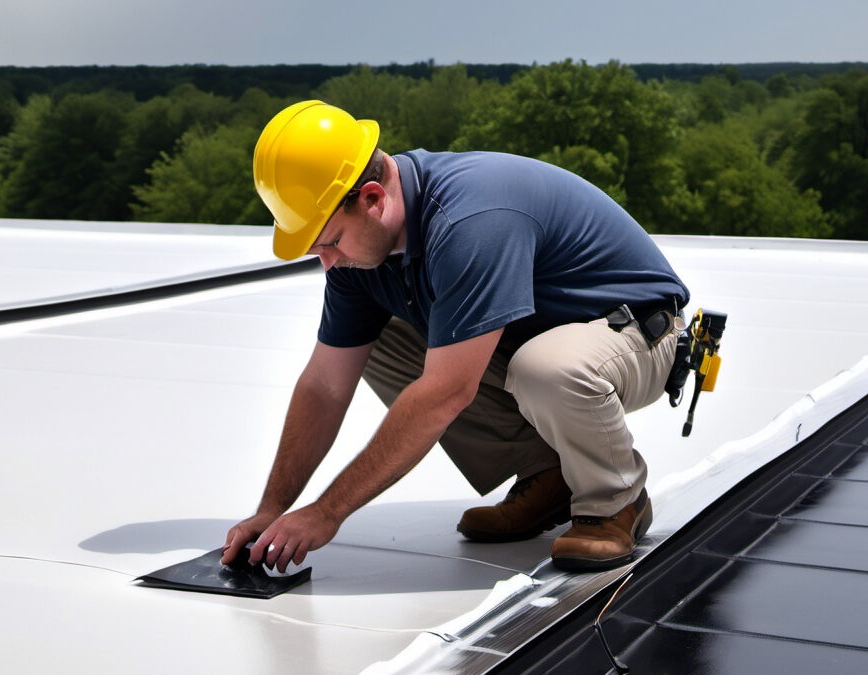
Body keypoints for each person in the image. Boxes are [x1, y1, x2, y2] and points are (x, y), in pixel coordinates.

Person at [222, 100, 689, 573]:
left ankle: (615, 502)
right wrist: (272, 509)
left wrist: (327, 513)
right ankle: (549, 477)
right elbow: (325, 384)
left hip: (638, 333)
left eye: (330, 240)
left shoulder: (469, 221)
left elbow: (445, 392)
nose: (327, 261)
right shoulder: (360, 258)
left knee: (543, 368)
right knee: (383, 339)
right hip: (537, 337)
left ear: (371, 198)